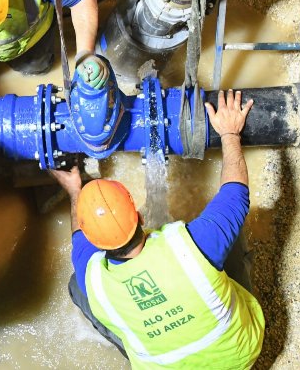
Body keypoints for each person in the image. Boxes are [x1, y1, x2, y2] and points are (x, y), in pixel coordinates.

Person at [50, 90, 265, 368]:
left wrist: (74, 190)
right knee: (226, 231)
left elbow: (78, 235)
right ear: (138, 217)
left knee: (77, 288)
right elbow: (236, 194)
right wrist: (230, 134)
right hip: (239, 355)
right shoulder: (193, 247)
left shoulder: (93, 278)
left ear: (92, 242)